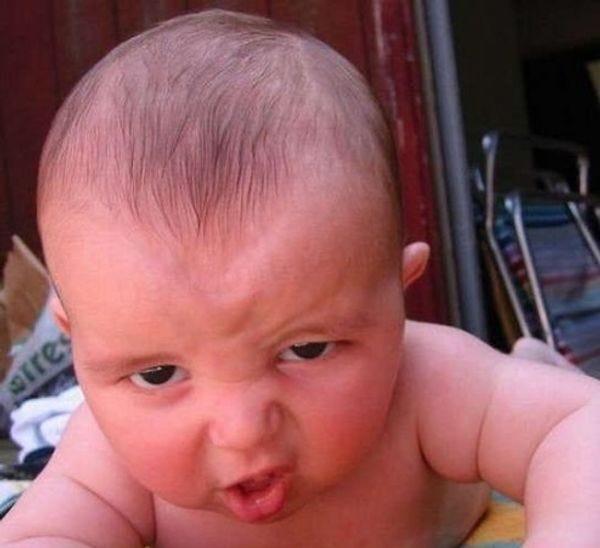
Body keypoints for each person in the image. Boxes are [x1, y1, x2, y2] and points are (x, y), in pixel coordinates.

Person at [1, 9, 599, 547]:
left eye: (306, 349)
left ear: (398, 297)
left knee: (531, 399)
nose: (240, 431)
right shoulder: (108, 454)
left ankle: (533, 368)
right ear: (77, 340)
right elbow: (42, 533)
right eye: (158, 374)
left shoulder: (425, 383)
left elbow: (580, 426)